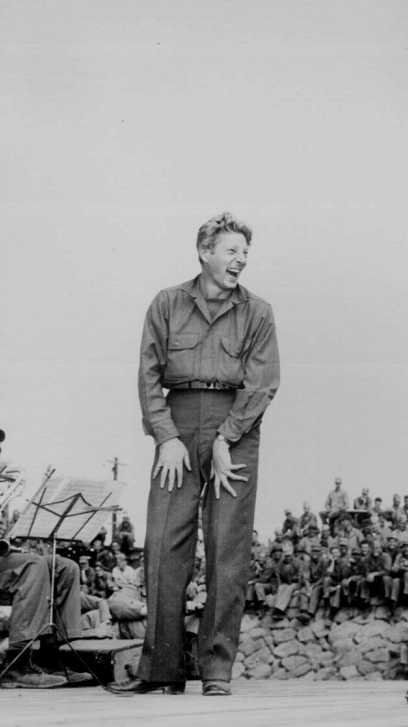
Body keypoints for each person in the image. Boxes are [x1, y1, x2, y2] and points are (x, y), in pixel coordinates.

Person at [108, 213, 280, 696]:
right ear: (204, 252)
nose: (240, 260)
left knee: (228, 546)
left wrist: (227, 438)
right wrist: (165, 435)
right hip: (177, 426)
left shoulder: (259, 312)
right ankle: (161, 670)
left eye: (245, 253)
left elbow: (263, 382)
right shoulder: (167, 303)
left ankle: (216, 671)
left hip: (238, 426)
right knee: (165, 543)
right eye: (231, 251)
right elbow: (148, 374)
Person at [0, 419, 87, 688]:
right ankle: (17, 665)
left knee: (65, 567)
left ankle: (51, 658)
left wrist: (0, 532)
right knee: (33, 565)